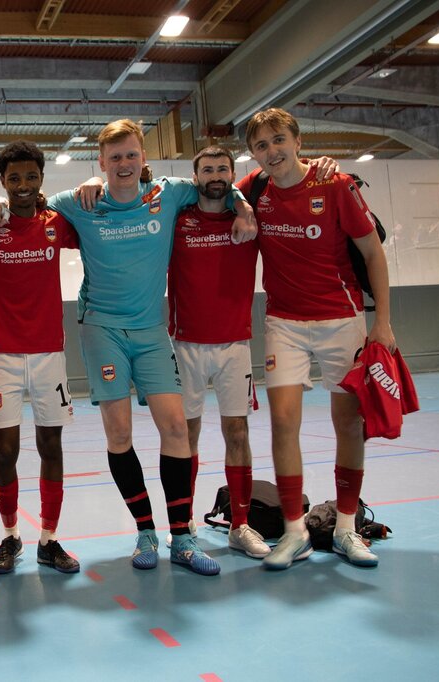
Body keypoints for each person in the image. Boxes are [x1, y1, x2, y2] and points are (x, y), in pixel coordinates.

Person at [0, 120, 258, 576]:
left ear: (143, 158)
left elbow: (220, 185)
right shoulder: (80, 201)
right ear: (102, 162)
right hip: (102, 329)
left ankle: (182, 537)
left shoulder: (170, 193)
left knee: (176, 427)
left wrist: (243, 206)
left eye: (131, 155)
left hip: (151, 330)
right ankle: (145, 531)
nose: (124, 164)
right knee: (119, 434)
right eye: (115, 158)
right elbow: (28, 201)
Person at [239, 107, 394, 570]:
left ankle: (345, 527)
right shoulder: (254, 191)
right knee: (283, 423)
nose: (272, 151)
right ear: (253, 154)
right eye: (261, 145)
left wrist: (383, 322)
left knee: (348, 424)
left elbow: (373, 253)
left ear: (298, 142)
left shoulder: (336, 185)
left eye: (278, 140)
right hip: (284, 323)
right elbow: (205, 189)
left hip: (341, 320)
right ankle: (294, 532)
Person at [0, 141, 80, 574]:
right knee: (6, 450)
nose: (23, 185)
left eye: (30, 177)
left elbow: (99, 212)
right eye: (13, 178)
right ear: (2, 182)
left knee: (51, 445)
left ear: (41, 179)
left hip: (49, 354)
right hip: (2, 355)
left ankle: (49, 539)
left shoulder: (56, 222)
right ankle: (10, 536)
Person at [165, 146, 269, 559]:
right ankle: (184, 522)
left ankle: (240, 524)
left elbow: (273, 172)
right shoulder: (177, 219)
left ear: (231, 174)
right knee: (185, 435)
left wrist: (243, 205)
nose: (215, 175)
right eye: (206, 169)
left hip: (235, 345)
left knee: (237, 432)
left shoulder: (248, 220)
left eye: (222, 169)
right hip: (186, 344)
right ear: (195, 177)